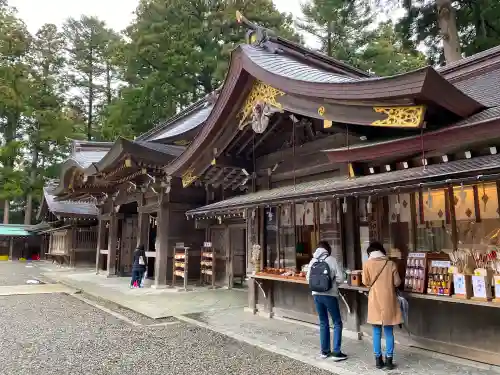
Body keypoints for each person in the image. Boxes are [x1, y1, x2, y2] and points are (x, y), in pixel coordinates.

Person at [362, 241, 402, 370]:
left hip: (374, 300)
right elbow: (397, 282)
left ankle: (378, 360)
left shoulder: (367, 264)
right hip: (388, 300)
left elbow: (365, 282)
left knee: (376, 331)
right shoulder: (390, 264)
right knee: (389, 331)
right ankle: (389, 361)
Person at [306, 240, 347, 361]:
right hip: (330, 294)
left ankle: (324, 351)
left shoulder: (313, 260)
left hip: (316, 294)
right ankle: (336, 352)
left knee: (323, 321)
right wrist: (332, 281)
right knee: (337, 322)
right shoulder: (332, 260)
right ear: (328, 250)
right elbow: (340, 278)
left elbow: (308, 278)